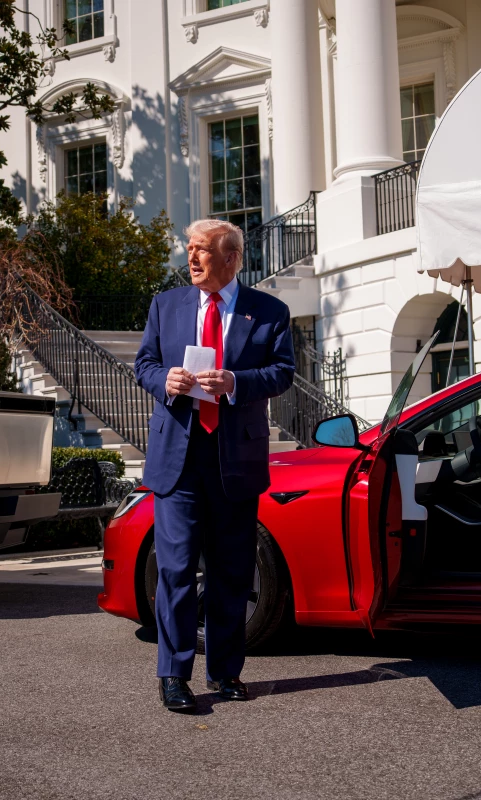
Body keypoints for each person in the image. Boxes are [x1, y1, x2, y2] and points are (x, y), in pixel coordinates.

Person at [134, 219, 295, 713]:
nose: (192, 258)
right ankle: (173, 676)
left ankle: (226, 671)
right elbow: (143, 365)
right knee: (177, 570)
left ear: (231, 258)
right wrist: (168, 381)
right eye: (189, 249)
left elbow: (283, 372)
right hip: (178, 460)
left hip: (234, 458)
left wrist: (235, 382)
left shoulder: (269, 311)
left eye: (202, 250)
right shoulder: (167, 305)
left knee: (230, 572)